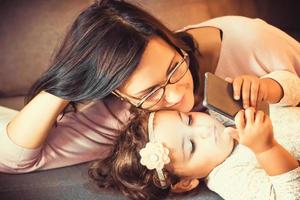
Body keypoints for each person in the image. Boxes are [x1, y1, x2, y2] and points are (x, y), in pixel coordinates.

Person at [0, 0, 300, 173]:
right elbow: (12, 159)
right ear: (119, 93)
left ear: (171, 41)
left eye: (173, 68)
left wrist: (272, 88)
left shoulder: (252, 41)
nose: (175, 95)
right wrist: (64, 85)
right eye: (149, 92)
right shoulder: (116, 113)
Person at [89, 71, 300, 200]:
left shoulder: (221, 109)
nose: (204, 130)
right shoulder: (229, 178)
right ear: (186, 182)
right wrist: (266, 149)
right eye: (191, 146)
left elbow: (295, 88)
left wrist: (267, 87)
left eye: (189, 120)